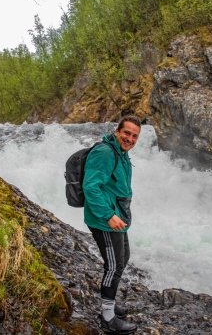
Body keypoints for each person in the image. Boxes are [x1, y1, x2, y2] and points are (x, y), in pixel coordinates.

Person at [83, 115, 141, 334]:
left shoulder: (121, 153)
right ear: (117, 131)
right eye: (126, 133)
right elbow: (90, 187)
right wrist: (108, 215)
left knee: (123, 259)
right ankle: (108, 318)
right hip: (105, 220)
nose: (130, 138)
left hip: (117, 217)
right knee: (114, 266)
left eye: (135, 136)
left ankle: (110, 302)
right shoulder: (105, 153)